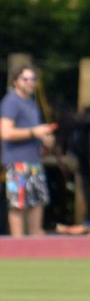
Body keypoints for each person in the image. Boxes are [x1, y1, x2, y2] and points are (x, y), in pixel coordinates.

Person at [1, 65, 57, 237]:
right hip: (17, 162)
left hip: (34, 161)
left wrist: (45, 139)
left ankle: (34, 246)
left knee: (37, 203)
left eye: (33, 79)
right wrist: (34, 132)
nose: (30, 82)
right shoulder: (11, 101)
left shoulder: (32, 103)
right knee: (17, 204)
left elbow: (34, 133)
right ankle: (18, 245)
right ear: (15, 82)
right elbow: (5, 132)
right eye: (25, 79)